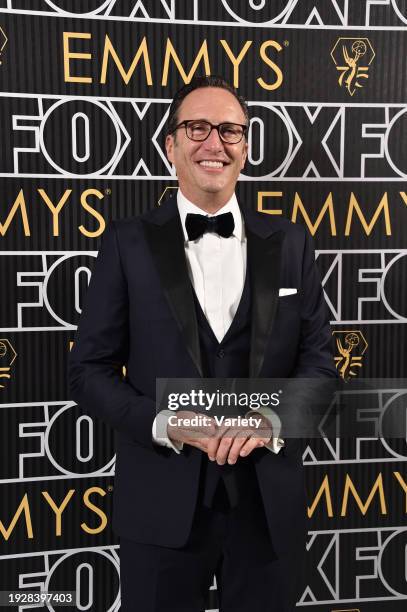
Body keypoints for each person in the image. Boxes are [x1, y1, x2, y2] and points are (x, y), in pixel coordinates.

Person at [69, 75, 336, 612]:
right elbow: (88, 372)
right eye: (197, 127)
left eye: (230, 130)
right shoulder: (126, 243)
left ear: (245, 144)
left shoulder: (291, 244)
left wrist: (272, 420)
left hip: (267, 510)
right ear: (170, 145)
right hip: (161, 509)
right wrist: (165, 423)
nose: (214, 143)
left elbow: (321, 368)